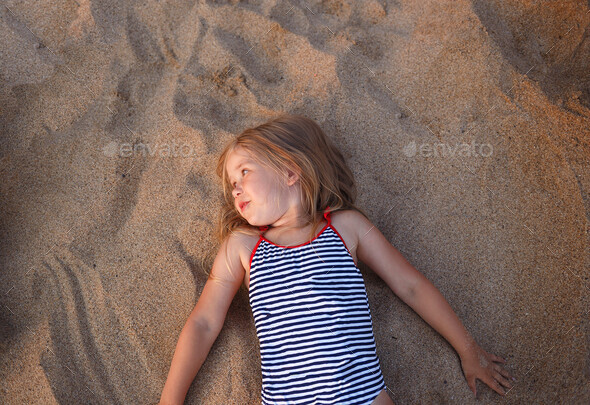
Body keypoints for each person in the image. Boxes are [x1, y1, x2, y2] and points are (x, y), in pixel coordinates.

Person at [159, 114, 516, 404]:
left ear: (290, 171)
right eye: (231, 182)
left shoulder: (346, 227)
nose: (235, 187)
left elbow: (410, 286)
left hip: (363, 396)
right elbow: (204, 322)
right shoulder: (243, 246)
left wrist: (468, 348)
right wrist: (170, 400)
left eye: (244, 172)